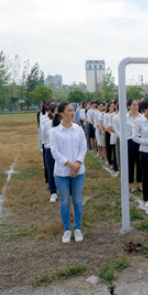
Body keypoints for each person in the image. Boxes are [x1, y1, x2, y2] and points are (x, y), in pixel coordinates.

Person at [50, 102, 87, 244]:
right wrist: (70, 165)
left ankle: (77, 228)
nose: (73, 113)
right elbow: (55, 152)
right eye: (69, 110)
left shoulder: (78, 129)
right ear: (62, 114)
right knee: (64, 202)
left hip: (78, 171)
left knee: (77, 201)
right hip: (61, 173)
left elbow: (83, 148)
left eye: (73, 110)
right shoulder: (55, 132)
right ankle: (67, 229)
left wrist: (77, 164)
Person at [41, 103, 59, 202]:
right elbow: (44, 141)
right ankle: (53, 192)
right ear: (51, 113)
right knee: (51, 172)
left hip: (61, 151)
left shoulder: (62, 125)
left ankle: (62, 190)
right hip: (49, 150)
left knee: (61, 172)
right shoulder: (46, 125)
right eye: (56, 111)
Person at [124, 100, 143, 193]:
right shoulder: (125, 117)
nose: (136, 107)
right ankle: (131, 184)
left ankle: (140, 183)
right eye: (134, 105)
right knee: (130, 164)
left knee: (140, 163)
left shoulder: (141, 117)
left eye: (137, 105)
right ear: (129, 106)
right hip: (130, 141)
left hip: (140, 141)